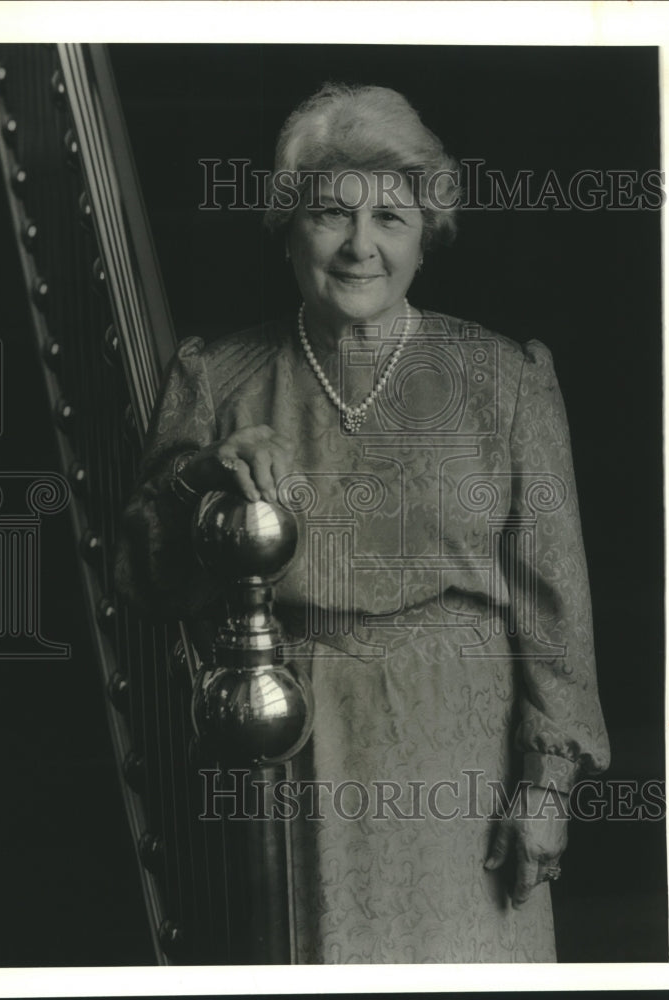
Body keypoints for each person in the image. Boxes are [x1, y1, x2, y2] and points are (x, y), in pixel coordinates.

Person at [116, 82, 610, 963]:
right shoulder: (215, 378)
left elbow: (554, 604)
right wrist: (203, 481)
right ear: (286, 228)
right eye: (328, 216)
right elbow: (144, 586)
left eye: (391, 217)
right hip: (284, 761)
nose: (359, 247)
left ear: (427, 237)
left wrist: (549, 786)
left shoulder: (503, 379)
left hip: (462, 761)